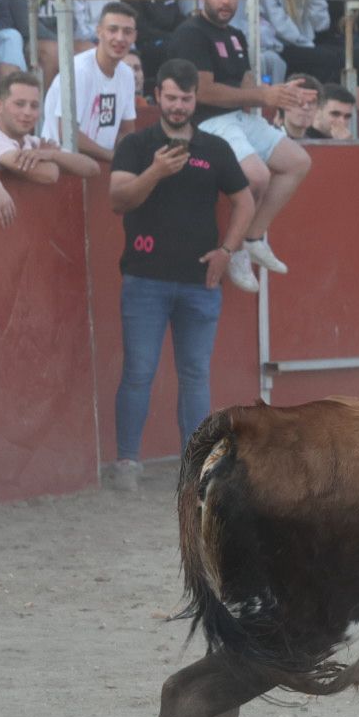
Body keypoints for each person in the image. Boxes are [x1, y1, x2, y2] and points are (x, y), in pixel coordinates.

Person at [106, 58, 255, 492]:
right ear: (157, 96)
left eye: (185, 99)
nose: (177, 106)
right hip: (145, 278)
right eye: (170, 97)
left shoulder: (214, 147)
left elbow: (245, 201)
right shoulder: (137, 145)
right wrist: (156, 171)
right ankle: (127, 462)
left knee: (194, 374)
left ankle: (196, 466)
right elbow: (118, 200)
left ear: (195, 99)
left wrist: (227, 251)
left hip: (199, 280)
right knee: (139, 371)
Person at [167, 0, 314, 294]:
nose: (225, 0)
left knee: (298, 162)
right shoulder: (191, 33)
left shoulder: (235, 35)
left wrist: (283, 95)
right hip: (207, 122)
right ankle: (234, 251)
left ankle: (253, 237)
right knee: (257, 176)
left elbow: (247, 84)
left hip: (238, 118)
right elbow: (204, 92)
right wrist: (263, 95)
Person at [41, 2, 140, 163]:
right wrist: (112, 157)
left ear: (134, 37)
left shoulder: (127, 74)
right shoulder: (79, 71)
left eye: (127, 32)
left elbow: (126, 130)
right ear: (99, 31)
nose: (120, 38)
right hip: (64, 164)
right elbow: (66, 133)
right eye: (113, 30)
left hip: (102, 163)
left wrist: (124, 156)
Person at [0, 71, 102, 184]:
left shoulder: (34, 143)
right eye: (19, 104)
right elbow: (50, 174)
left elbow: (93, 168)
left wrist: (51, 154)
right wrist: (50, 156)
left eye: (34, 106)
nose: (27, 112)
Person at [261, 0, 343, 82]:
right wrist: (308, 45)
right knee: (328, 58)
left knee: (342, 55)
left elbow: (321, 24)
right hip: (279, 46)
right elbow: (281, 27)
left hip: (302, 44)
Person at [119, 0, 187, 91]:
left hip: (168, 38)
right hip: (143, 43)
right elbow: (137, 27)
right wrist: (174, 38)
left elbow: (176, 16)